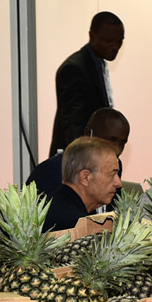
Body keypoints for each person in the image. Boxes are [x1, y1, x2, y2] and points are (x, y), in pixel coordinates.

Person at [49, 12, 125, 155]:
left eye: (119, 41)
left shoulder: (98, 63)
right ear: (91, 35)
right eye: (108, 41)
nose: (115, 46)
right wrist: (83, 159)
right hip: (78, 158)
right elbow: (72, 123)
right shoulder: (73, 69)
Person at [29, 107, 130, 202]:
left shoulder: (115, 165)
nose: (117, 148)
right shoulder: (53, 169)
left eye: (122, 143)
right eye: (111, 140)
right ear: (88, 134)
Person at [42, 136, 123, 233]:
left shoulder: (55, 205)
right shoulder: (73, 225)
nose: (118, 183)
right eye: (111, 175)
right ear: (85, 178)